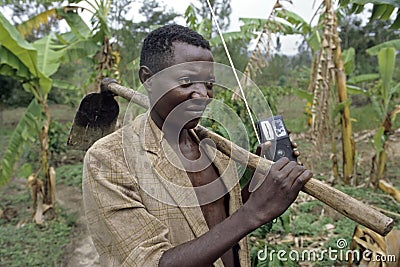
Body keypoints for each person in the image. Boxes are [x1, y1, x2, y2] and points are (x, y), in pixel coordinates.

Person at [83, 24, 313, 267]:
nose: (203, 94)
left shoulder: (213, 148)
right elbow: (152, 262)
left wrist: (258, 189)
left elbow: (217, 222)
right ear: (148, 79)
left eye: (209, 84)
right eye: (186, 81)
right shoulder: (109, 159)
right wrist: (253, 213)